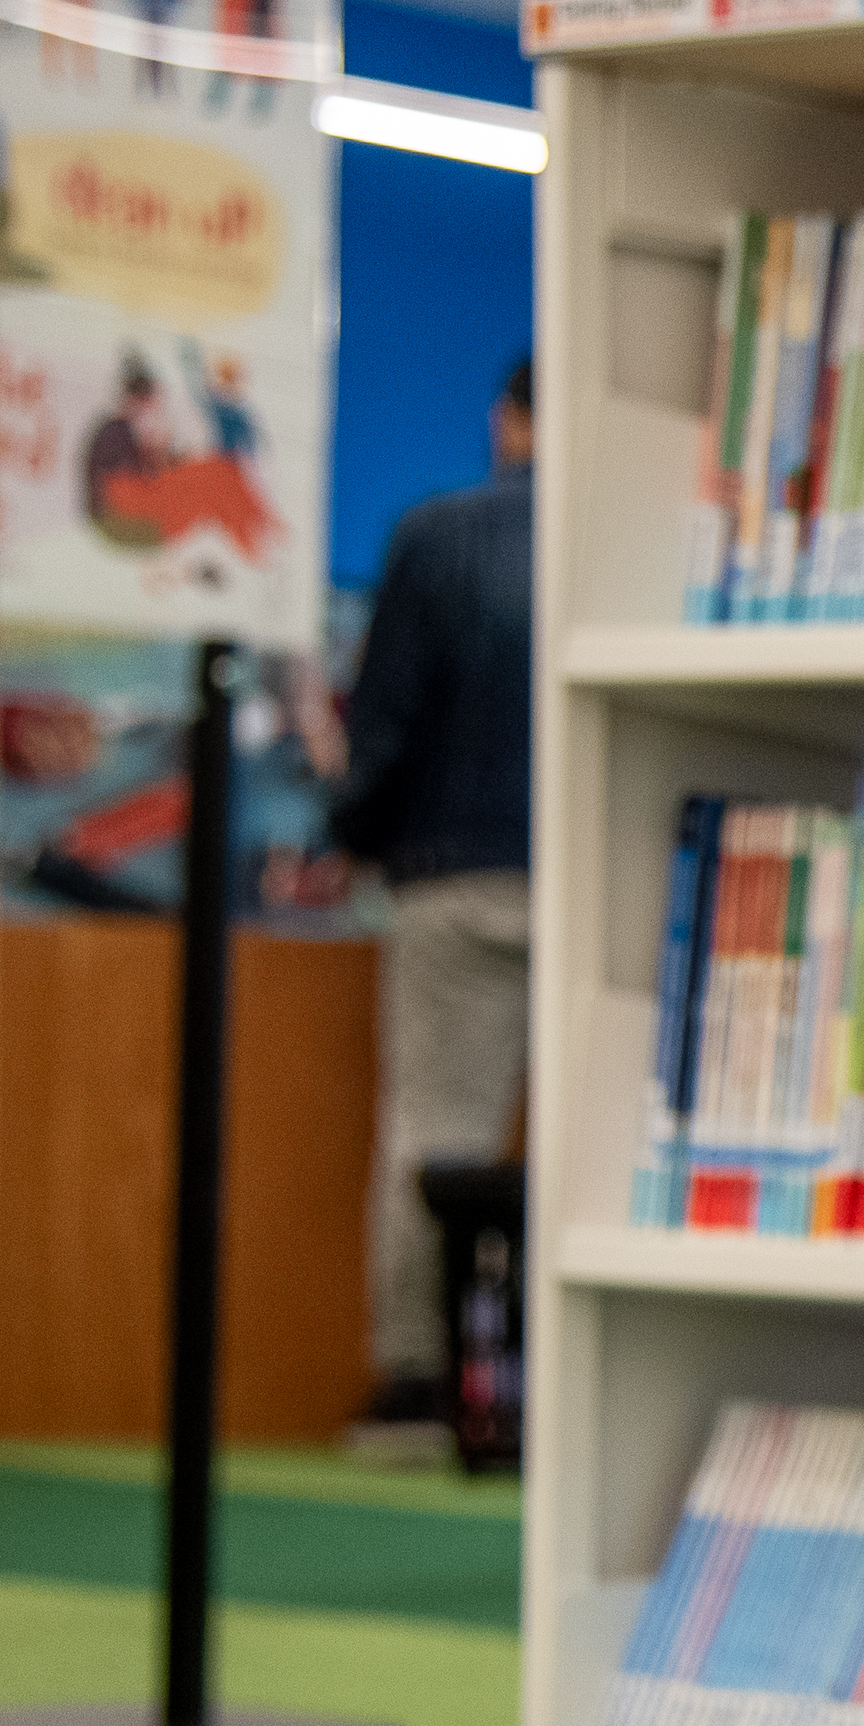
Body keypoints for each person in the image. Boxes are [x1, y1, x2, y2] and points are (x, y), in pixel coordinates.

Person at [334, 357, 536, 1434]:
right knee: (602, 1150)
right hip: (604, 882)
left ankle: (418, 1380)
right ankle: (557, 1390)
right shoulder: (628, 531)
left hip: (453, 878)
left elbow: (386, 723)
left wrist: (350, 830)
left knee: (435, 1128)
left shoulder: (434, 534)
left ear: (508, 419)